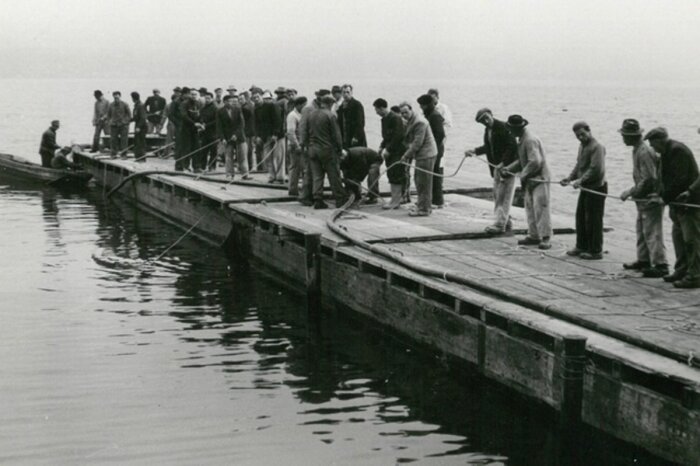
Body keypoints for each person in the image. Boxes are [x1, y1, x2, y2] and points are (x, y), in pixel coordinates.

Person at [645, 127, 700, 288]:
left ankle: (695, 275)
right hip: (676, 204)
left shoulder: (677, 151)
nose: (653, 148)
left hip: (688, 203)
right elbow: (664, 178)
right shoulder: (666, 153)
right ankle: (682, 269)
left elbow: (680, 180)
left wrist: (663, 198)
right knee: (678, 237)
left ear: (660, 140)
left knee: (692, 240)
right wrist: (659, 194)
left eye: (653, 144)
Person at [617, 119, 668, 277]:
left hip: (650, 198)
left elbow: (649, 179)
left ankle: (661, 265)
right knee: (641, 229)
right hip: (642, 199)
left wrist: (631, 192)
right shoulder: (637, 149)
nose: (623, 138)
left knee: (653, 232)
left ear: (632, 136)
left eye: (624, 135)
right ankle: (644, 260)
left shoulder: (644, 152)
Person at [501, 115, 553, 250]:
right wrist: (509, 168)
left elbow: (535, 161)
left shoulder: (530, 140)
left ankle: (546, 237)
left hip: (539, 178)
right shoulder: (522, 139)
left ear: (517, 128)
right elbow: (522, 160)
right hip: (530, 179)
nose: (510, 132)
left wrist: (523, 175)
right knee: (529, 206)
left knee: (541, 207)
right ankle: (534, 235)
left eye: (511, 129)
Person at [560, 121, 607, 259]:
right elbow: (579, 165)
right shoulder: (582, 146)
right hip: (585, 187)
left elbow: (596, 169)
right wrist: (569, 178)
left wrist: (580, 180)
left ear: (589, 131)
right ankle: (582, 246)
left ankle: (595, 250)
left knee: (594, 220)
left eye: (582, 134)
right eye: (577, 136)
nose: (580, 137)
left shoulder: (597, 147)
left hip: (597, 188)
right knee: (580, 217)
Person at [466, 108, 518, 234]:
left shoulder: (503, 127)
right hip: (497, 168)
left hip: (507, 169)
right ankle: (506, 221)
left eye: (486, 117)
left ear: (491, 114)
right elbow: (488, 147)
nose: (485, 121)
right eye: (482, 121)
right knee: (497, 195)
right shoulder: (488, 130)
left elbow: (512, 146)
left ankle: (500, 225)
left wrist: (503, 163)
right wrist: (475, 151)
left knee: (504, 197)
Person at [302, 94, 347, 209]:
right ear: (330, 104)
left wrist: (306, 145)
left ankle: (318, 199)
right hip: (327, 150)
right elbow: (336, 136)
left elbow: (305, 132)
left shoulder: (311, 114)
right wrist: (340, 149)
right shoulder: (330, 115)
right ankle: (340, 199)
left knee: (317, 176)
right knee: (334, 175)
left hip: (312, 149)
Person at [399, 102, 438, 217]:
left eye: (406, 112)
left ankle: (424, 209)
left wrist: (406, 155)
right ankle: (423, 205)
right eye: (402, 113)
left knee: (424, 182)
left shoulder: (419, 122)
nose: (404, 115)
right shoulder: (411, 121)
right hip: (422, 155)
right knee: (419, 180)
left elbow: (417, 143)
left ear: (411, 110)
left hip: (427, 154)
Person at [297, 89, 328, 206]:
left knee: (313, 171)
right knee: (309, 171)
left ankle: (310, 195)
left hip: (317, 144)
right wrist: (303, 144)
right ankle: (305, 196)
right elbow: (303, 127)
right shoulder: (308, 108)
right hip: (310, 144)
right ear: (318, 97)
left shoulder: (320, 107)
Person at [374, 98, 406, 209]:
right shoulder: (384, 119)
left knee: (396, 174)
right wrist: (381, 146)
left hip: (397, 152)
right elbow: (387, 136)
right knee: (391, 174)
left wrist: (389, 149)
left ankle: (396, 201)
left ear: (382, 108)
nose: (376, 112)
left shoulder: (395, 118)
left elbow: (398, 136)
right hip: (390, 152)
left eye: (377, 109)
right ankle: (394, 199)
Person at [417, 94, 445, 208]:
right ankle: (432, 199)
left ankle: (437, 201)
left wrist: (433, 147)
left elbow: (440, 134)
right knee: (431, 174)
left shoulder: (435, 116)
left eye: (422, 105)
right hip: (432, 149)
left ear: (428, 104)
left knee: (434, 174)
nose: (420, 107)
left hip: (435, 149)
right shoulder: (429, 114)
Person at [255, 91, 285, 183]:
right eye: (266, 99)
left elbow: (278, 120)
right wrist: (258, 136)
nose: (268, 101)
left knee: (279, 156)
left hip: (277, 136)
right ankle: (272, 176)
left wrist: (275, 134)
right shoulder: (257, 109)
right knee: (268, 157)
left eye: (269, 99)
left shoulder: (274, 106)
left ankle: (280, 177)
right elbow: (258, 124)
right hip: (266, 136)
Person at [217, 95, 249, 180]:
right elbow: (219, 126)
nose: (231, 103)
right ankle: (229, 174)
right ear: (224, 102)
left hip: (239, 137)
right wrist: (222, 138)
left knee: (242, 156)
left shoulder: (238, 109)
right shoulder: (220, 111)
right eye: (229, 101)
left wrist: (236, 134)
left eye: (232, 101)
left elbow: (241, 124)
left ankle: (244, 173)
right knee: (228, 156)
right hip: (227, 138)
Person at [176, 87, 202, 171]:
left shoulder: (198, 103)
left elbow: (200, 115)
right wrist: (194, 123)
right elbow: (184, 116)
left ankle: (196, 166)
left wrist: (201, 123)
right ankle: (185, 166)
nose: (194, 96)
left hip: (195, 130)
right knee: (186, 148)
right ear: (189, 95)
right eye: (192, 94)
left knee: (196, 147)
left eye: (195, 94)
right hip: (186, 128)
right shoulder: (184, 104)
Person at [286, 96, 307, 196]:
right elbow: (290, 132)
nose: (305, 107)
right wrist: (297, 145)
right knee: (295, 168)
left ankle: (298, 189)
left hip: (300, 145)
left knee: (301, 168)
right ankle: (293, 190)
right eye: (304, 105)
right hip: (295, 146)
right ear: (299, 105)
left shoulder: (300, 114)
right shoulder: (292, 116)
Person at [336, 84, 367, 149]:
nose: (346, 94)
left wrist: (356, 136)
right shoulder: (341, 107)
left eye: (348, 92)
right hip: (345, 137)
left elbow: (360, 122)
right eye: (344, 92)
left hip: (355, 137)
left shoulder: (357, 105)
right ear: (341, 93)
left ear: (351, 93)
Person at [106, 91, 131, 158]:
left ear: (120, 96)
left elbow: (129, 115)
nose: (116, 98)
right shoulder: (111, 105)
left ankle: (124, 154)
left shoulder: (125, 104)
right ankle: (113, 154)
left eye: (117, 96)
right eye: (114, 96)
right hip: (114, 125)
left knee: (124, 140)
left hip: (123, 125)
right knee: (113, 140)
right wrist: (109, 122)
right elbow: (108, 115)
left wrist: (125, 122)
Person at [199, 92, 219, 171]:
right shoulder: (203, 108)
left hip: (213, 133)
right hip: (204, 133)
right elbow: (201, 118)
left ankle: (212, 166)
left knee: (213, 151)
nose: (207, 100)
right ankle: (202, 166)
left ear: (212, 99)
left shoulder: (215, 108)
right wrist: (201, 123)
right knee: (204, 150)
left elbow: (216, 121)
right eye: (205, 98)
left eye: (208, 98)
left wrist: (206, 125)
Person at [239, 91, 256, 170]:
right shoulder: (251, 105)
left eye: (241, 99)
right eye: (239, 99)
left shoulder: (244, 108)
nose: (240, 101)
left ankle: (246, 167)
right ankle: (249, 166)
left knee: (245, 151)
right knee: (249, 150)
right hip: (250, 131)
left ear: (245, 98)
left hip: (246, 132)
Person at [163, 89, 181, 158]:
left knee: (169, 140)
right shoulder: (179, 105)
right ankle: (177, 155)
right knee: (178, 139)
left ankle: (166, 154)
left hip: (171, 124)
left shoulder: (168, 105)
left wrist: (161, 125)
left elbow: (164, 116)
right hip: (178, 124)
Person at [131, 91, 148, 161]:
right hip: (138, 125)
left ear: (134, 98)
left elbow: (143, 118)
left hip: (142, 126)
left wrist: (139, 127)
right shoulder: (136, 105)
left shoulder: (140, 105)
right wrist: (128, 120)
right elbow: (135, 117)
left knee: (141, 142)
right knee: (137, 141)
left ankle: (142, 157)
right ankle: (138, 157)